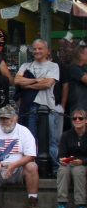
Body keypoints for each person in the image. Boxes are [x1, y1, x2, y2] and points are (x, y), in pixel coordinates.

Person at [0, 104, 40, 208]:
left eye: (7, 119)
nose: (4, 121)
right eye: (2, 119)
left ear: (15, 118)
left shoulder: (24, 131)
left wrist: (13, 165)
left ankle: (33, 201)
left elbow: (31, 155)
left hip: (18, 169)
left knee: (32, 166)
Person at [14, 39, 61, 174]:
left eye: (40, 48)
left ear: (47, 51)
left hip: (48, 107)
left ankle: (55, 169)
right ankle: (33, 169)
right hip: (29, 107)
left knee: (52, 139)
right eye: (34, 49)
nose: (37, 51)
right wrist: (36, 80)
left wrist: (27, 85)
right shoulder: (26, 65)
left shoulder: (53, 66)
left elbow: (47, 84)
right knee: (31, 139)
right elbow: (17, 80)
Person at [56, 108, 87, 208]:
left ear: (86, 120)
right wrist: (63, 160)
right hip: (70, 162)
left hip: (83, 163)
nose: (77, 120)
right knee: (62, 170)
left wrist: (82, 161)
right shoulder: (66, 135)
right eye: (74, 118)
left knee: (78, 171)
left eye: (80, 118)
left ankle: (81, 204)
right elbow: (61, 154)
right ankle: (62, 203)